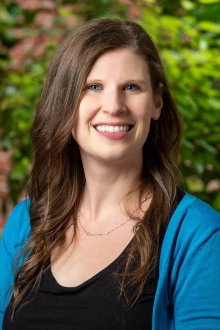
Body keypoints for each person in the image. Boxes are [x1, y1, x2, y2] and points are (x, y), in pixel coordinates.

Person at [0, 18, 220, 330]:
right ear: (65, 102)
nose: (113, 106)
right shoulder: (24, 225)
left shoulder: (197, 234)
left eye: (131, 87)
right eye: (93, 87)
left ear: (156, 102)